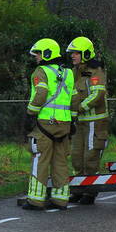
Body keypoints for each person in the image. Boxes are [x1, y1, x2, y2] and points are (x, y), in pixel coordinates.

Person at [24, 38, 75, 209]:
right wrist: (71, 119)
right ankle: (61, 199)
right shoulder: (68, 73)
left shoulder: (41, 71)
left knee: (40, 159)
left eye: (38, 53)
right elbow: (74, 99)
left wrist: (30, 112)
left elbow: (41, 94)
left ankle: (35, 200)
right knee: (60, 161)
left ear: (47, 53)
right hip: (64, 125)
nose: (36, 57)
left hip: (45, 124)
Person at [67, 36, 109, 176]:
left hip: (95, 123)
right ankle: (79, 189)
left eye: (76, 53)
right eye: (72, 53)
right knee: (76, 158)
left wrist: (79, 108)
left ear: (85, 53)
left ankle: (89, 193)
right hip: (79, 123)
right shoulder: (73, 72)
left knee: (90, 158)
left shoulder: (96, 71)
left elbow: (97, 96)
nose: (72, 56)